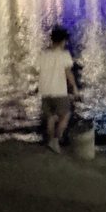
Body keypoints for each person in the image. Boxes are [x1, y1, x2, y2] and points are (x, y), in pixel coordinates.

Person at [37, 26, 79, 154]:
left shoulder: (42, 54)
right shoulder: (64, 55)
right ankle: (56, 139)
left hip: (44, 90)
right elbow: (68, 73)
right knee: (66, 114)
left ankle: (50, 141)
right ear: (63, 41)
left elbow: (35, 70)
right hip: (59, 90)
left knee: (50, 116)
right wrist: (74, 87)